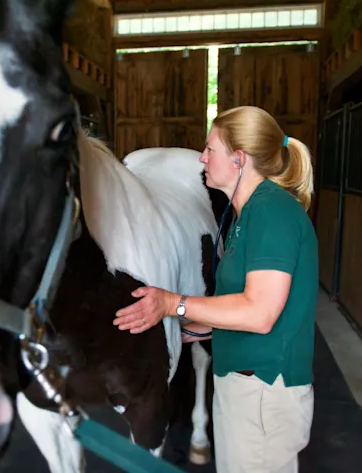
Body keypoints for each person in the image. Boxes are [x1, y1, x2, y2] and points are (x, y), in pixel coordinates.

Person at [113, 105, 318, 473]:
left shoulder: (273, 213)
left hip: (263, 394)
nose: (202, 158)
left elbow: (259, 313)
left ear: (239, 159)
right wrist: (189, 331)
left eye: (210, 149)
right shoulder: (247, 215)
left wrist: (174, 304)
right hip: (243, 386)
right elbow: (240, 308)